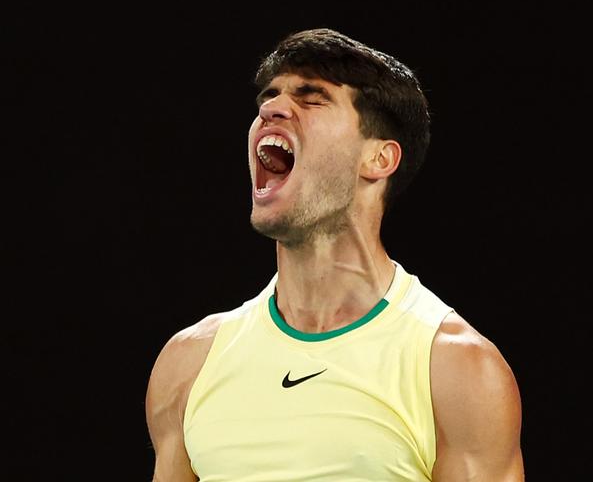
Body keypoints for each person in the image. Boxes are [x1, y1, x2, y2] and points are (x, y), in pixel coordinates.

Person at [145, 28, 524, 481]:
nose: (272, 109)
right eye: (269, 97)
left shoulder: (456, 370)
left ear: (379, 159)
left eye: (311, 98)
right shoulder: (189, 363)